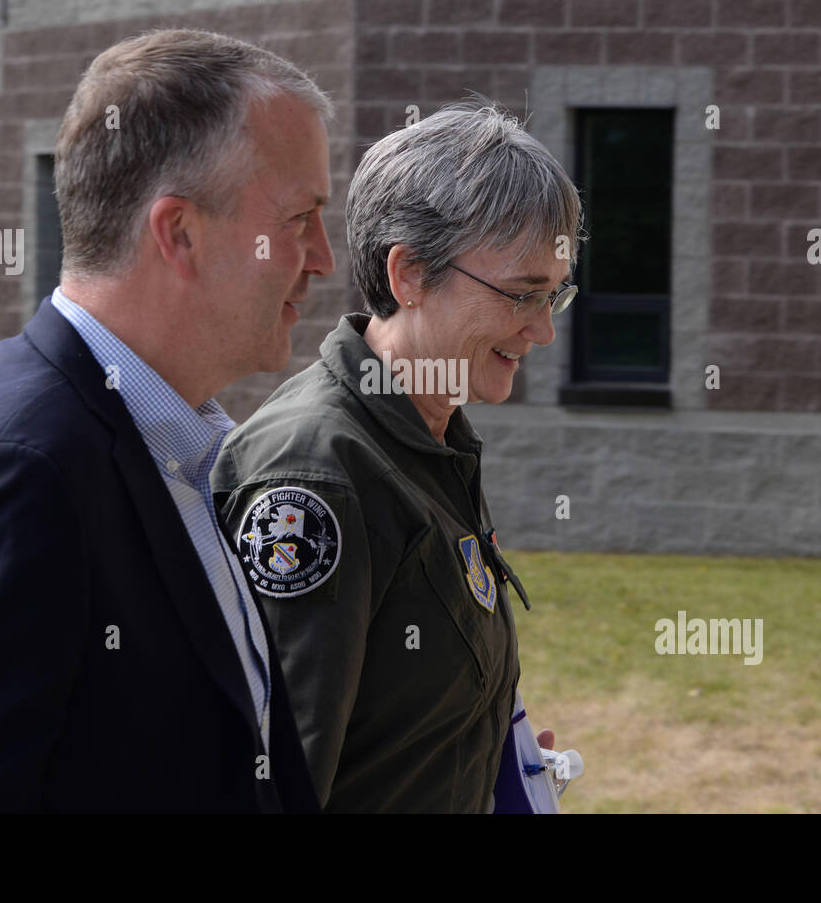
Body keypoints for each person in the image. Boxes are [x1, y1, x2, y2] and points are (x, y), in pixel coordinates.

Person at [0, 29, 335, 812]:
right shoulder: (14, 474)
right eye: (303, 217)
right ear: (179, 233)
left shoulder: (178, 443)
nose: (324, 258)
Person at [212, 100, 582, 812]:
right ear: (409, 272)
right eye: (521, 295)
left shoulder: (426, 434)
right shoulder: (318, 474)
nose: (543, 330)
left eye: (555, 296)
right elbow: (279, 789)